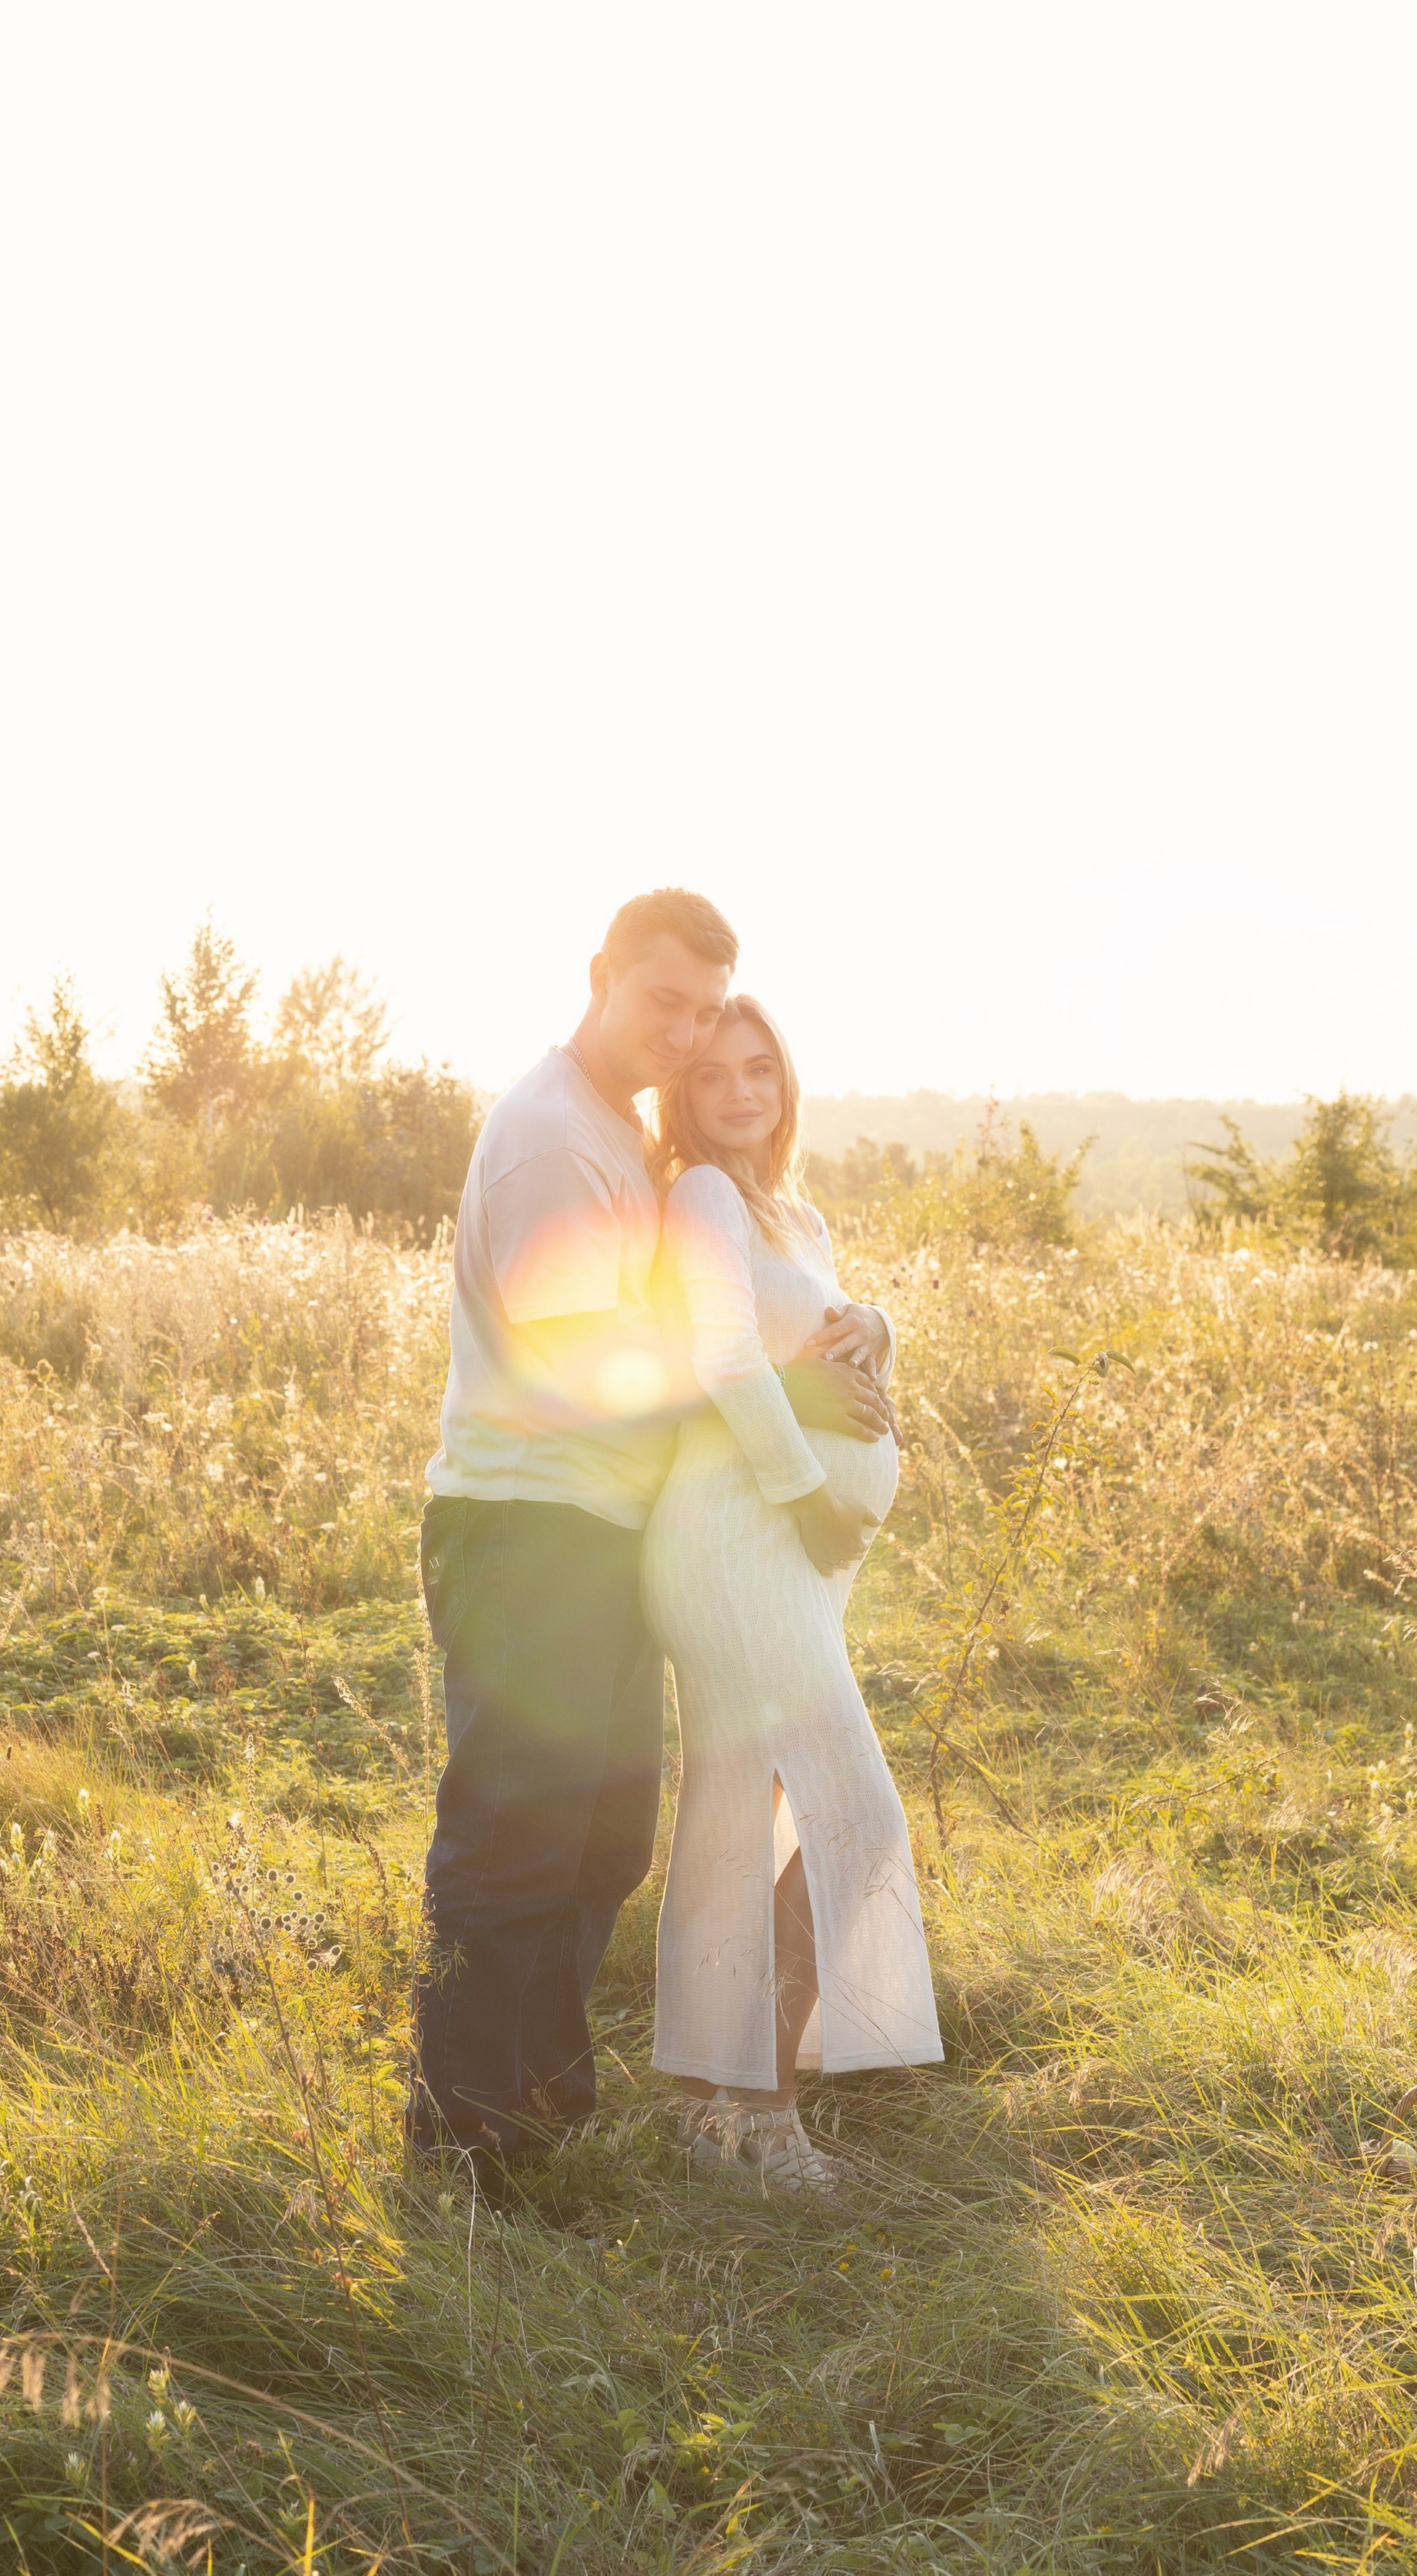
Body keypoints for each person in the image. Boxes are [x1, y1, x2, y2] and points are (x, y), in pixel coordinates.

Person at [410, 891, 897, 2187]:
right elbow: (585, 1373)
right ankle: (467, 2148)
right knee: (518, 1840)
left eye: (707, 1008)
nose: (686, 1035)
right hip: (527, 1526)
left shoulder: (620, 1133)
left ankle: (545, 2121)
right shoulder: (550, 1143)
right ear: (601, 978)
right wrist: (779, 1401)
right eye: (665, 1004)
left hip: (605, 1531)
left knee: (602, 1842)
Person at [642, 996, 943, 2197]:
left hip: (787, 1560)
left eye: (760, 1069)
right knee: (855, 1818)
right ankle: (767, 2128)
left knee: (739, 1823)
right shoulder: (702, 1195)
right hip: (735, 1539)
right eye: (713, 1075)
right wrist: (811, 1498)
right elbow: (723, 1357)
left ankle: (714, 2114)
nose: (741, 1093)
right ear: (686, 1096)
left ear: (787, 1080)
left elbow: (815, 1340)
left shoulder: (791, 1208)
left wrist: (878, 1319)